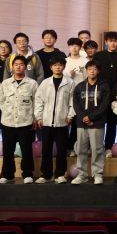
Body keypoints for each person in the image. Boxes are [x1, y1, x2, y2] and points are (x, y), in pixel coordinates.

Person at [0, 56, 39, 184]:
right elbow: (1, 102)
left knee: (26, 150)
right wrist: (8, 113)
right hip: (8, 122)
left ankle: (27, 174)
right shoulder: (5, 83)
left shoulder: (32, 84)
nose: (18, 67)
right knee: (8, 150)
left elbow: (36, 103)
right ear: (12, 67)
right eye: (16, 64)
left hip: (26, 122)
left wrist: (35, 119)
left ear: (25, 67)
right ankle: (7, 175)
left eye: (21, 64)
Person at [34, 56, 76, 184]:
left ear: (64, 67)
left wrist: (70, 116)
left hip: (62, 122)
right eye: (55, 65)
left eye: (60, 65)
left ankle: (60, 174)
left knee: (62, 150)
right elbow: (39, 100)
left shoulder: (70, 83)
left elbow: (73, 102)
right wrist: (39, 117)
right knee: (46, 149)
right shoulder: (45, 83)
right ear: (51, 67)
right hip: (46, 121)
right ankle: (46, 174)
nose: (58, 67)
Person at [71, 60, 111, 185]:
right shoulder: (79, 86)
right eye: (89, 69)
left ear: (98, 71)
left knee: (97, 149)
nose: (92, 71)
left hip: (97, 123)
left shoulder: (104, 86)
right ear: (86, 71)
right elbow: (76, 104)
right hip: (81, 123)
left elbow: (104, 105)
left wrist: (92, 118)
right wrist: (84, 117)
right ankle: (82, 175)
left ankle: (97, 174)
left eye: (94, 69)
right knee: (81, 150)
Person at [93, 31, 117, 158]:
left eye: (115, 41)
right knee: (99, 122)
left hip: (116, 93)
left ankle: (108, 147)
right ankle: (97, 147)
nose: (113, 43)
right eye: (110, 41)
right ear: (106, 42)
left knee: (113, 122)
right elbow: (94, 71)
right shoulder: (99, 55)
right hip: (100, 92)